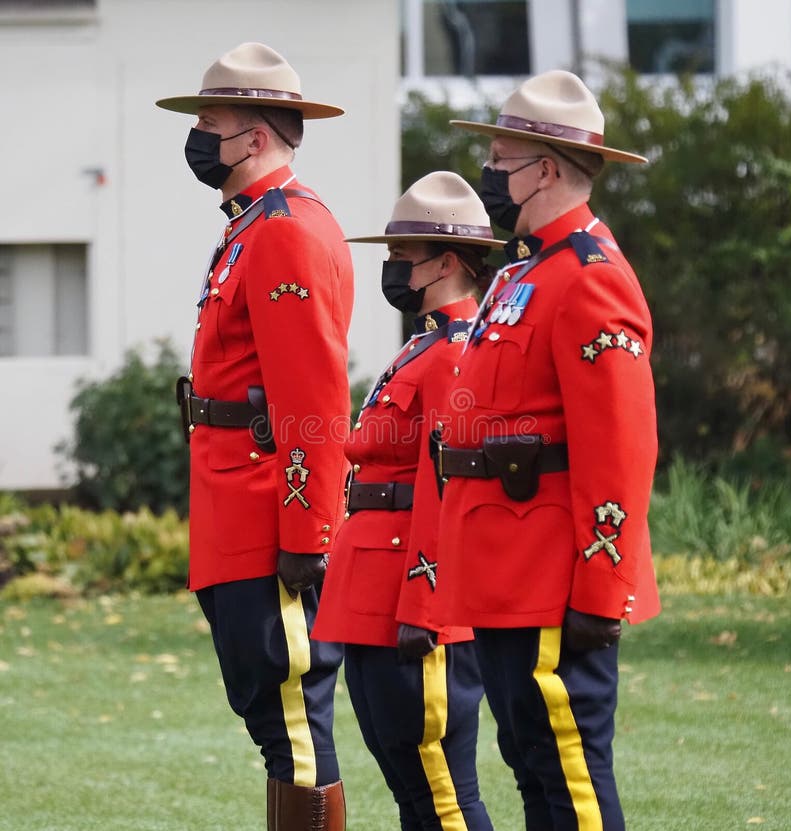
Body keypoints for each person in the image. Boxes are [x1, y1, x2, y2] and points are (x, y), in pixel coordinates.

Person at [425, 70, 661, 830]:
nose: (488, 175)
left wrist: (602, 584)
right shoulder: (525, 272)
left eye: (499, 160)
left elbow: (618, 447)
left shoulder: (591, 279)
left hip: (557, 577)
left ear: (546, 169)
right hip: (505, 570)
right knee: (532, 767)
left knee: (569, 780)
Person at [156, 42, 353, 830]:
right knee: (275, 727)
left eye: (212, 120)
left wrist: (307, 530)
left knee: (295, 729)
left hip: (271, 512)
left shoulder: (283, 231)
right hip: (233, 509)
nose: (200, 134)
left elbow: (312, 398)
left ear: (259, 134)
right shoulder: (251, 227)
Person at [313, 171, 502, 830]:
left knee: (443, 791)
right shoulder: (423, 344)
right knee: (411, 790)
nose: (391, 269)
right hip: (370, 589)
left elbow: (444, 486)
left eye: (401, 256)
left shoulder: (455, 353)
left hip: (414, 599)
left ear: (446, 261)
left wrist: (427, 602)